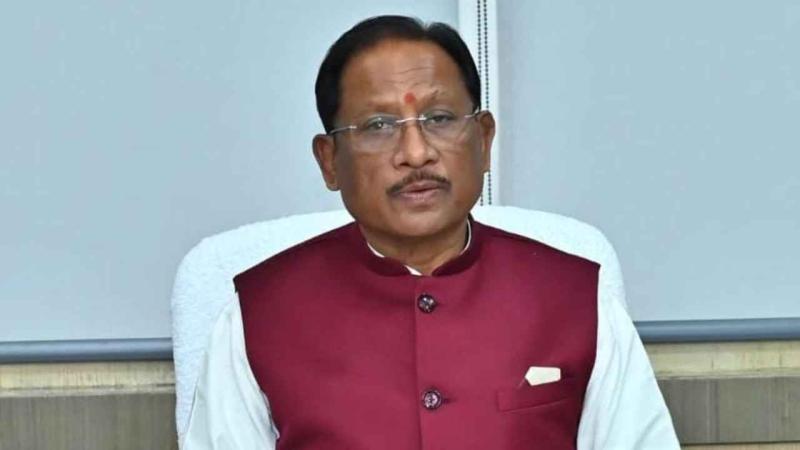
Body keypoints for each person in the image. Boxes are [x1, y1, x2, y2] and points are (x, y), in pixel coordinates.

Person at [181, 15, 680, 450]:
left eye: (439, 119)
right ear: (329, 161)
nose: (416, 153)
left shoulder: (576, 299)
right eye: (378, 126)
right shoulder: (258, 315)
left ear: (483, 140)